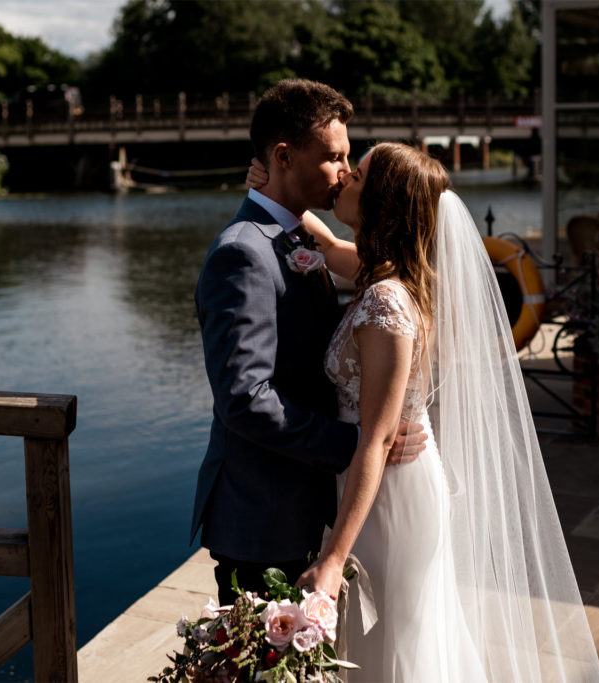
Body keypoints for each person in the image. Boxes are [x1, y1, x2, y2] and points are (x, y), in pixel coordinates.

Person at [249, 144, 599, 681]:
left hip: (391, 493)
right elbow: (328, 245)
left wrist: (333, 561)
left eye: (358, 174)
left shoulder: (387, 303)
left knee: (397, 645)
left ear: (382, 202)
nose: (344, 176)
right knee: (392, 640)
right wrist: (274, 187)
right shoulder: (386, 277)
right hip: (383, 483)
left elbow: (377, 440)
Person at [192, 80, 425, 606]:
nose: (345, 171)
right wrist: (361, 443)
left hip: (306, 507)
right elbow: (245, 400)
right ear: (282, 156)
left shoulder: (297, 235)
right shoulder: (242, 255)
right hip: (266, 520)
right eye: (334, 158)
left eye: (350, 160)